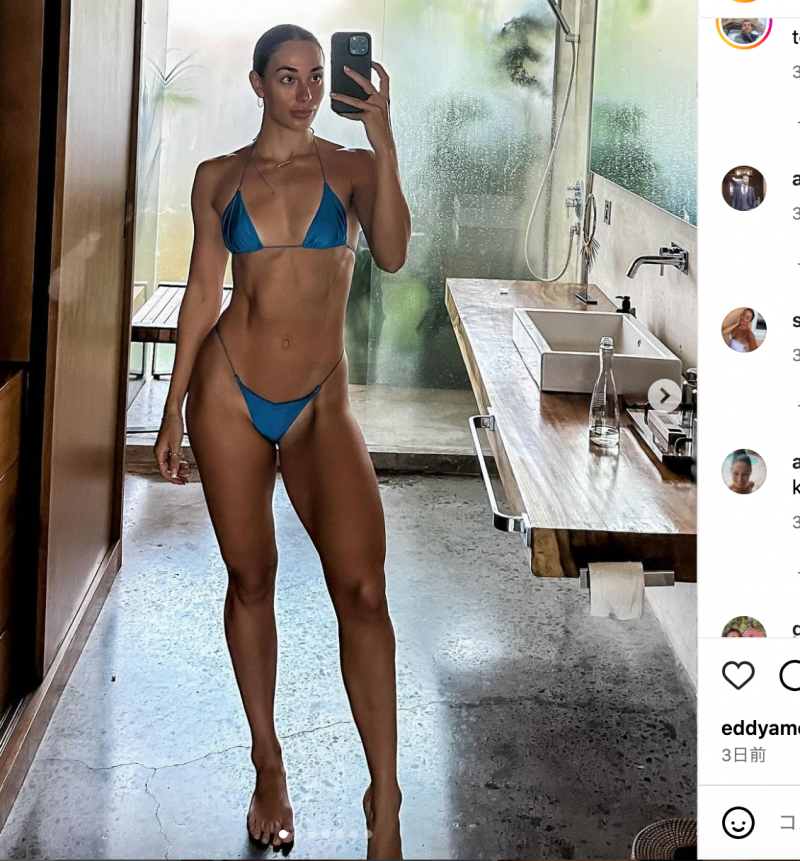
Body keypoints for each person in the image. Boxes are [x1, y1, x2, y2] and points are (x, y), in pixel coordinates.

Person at [153, 24, 411, 859]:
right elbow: (203, 293)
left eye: (316, 77)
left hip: (320, 403)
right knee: (251, 577)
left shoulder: (354, 168)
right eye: (289, 77)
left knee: (363, 590)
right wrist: (171, 407)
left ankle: (385, 793)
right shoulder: (219, 177)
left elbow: (394, 255)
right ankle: (268, 763)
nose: (306, 92)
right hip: (229, 393)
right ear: (258, 83)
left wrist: (385, 138)